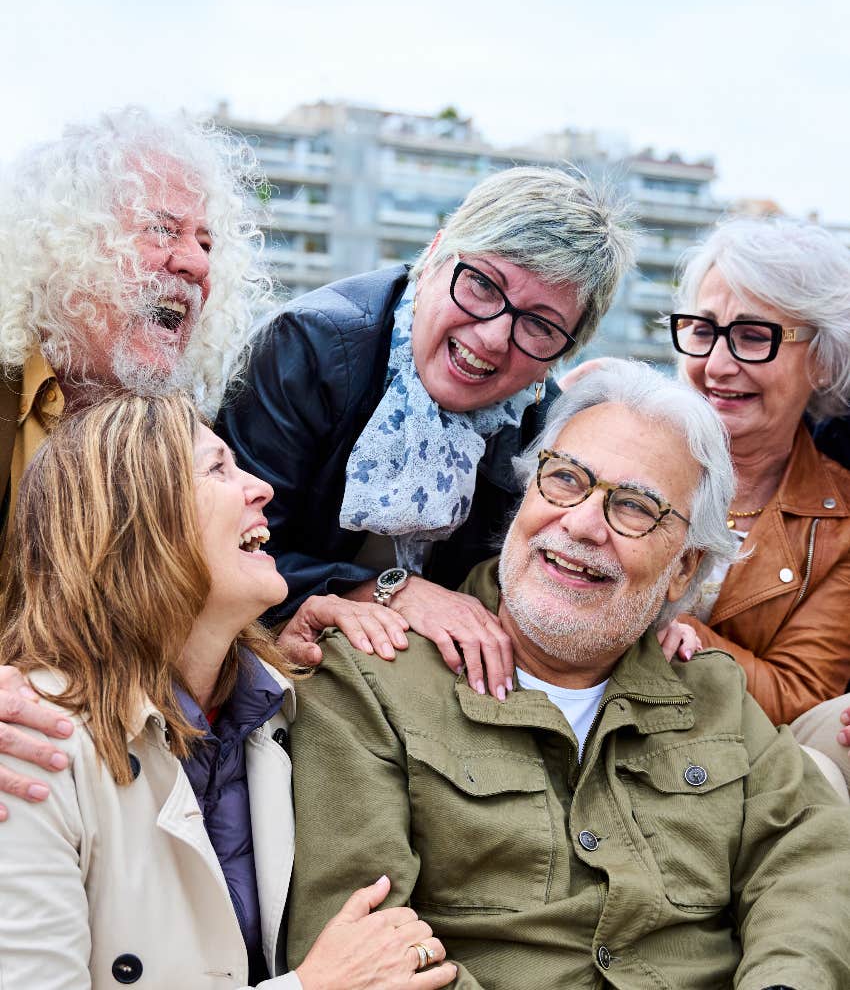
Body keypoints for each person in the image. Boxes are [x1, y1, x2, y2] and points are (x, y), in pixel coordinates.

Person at [285, 360, 850, 990]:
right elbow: (362, 949)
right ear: (525, 493)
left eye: (634, 508)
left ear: (684, 569)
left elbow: (806, 857)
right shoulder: (372, 677)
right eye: (564, 479)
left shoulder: (709, 689)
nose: (580, 524)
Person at [0, 393, 456, 990]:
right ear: (135, 519)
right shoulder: (30, 741)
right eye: (217, 468)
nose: (262, 488)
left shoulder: (279, 710)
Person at [217, 166, 636, 697]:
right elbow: (223, 550)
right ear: (434, 256)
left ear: (562, 354)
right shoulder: (308, 349)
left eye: (539, 325)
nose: (491, 338)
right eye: (482, 284)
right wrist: (390, 589)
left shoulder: (542, 426)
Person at [0, 105, 271, 548]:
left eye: (205, 243)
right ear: (63, 249)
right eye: (162, 230)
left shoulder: (194, 436)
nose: (199, 263)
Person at [667, 219, 850, 727]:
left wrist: (687, 639)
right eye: (703, 332)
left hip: (728, 755)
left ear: (824, 361)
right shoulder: (617, 444)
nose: (718, 364)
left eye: (753, 337)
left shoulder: (842, 526)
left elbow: (801, 694)